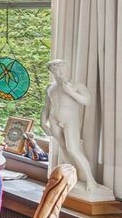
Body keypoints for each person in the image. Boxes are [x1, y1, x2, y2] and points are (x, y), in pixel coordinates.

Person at [43, 59, 110, 196]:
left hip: (70, 120)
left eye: (62, 69)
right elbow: (46, 106)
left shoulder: (76, 85)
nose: (59, 72)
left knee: (73, 149)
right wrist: (43, 122)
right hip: (54, 119)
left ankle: (91, 180)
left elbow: (87, 101)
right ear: (52, 72)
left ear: (67, 69)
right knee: (63, 148)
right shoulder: (50, 87)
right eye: (56, 70)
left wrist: (71, 92)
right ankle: (72, 176)